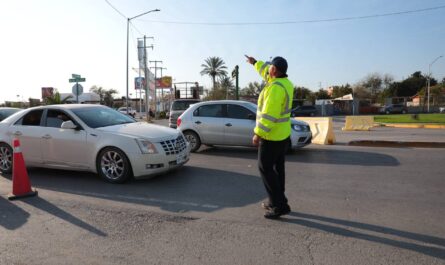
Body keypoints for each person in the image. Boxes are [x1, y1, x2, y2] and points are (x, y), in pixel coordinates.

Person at [246, 55, 294, 219]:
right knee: (278, 170)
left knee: (265, 168)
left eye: (271, 67)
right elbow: (263, 69)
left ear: (275, 70)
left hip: (271, 136)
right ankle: (277, 200)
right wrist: (254, 63)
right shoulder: (285, 83)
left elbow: (269, 115)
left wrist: (258, 134)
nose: (268, 69)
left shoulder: (275, 89)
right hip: (283, 135)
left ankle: (280, 206)